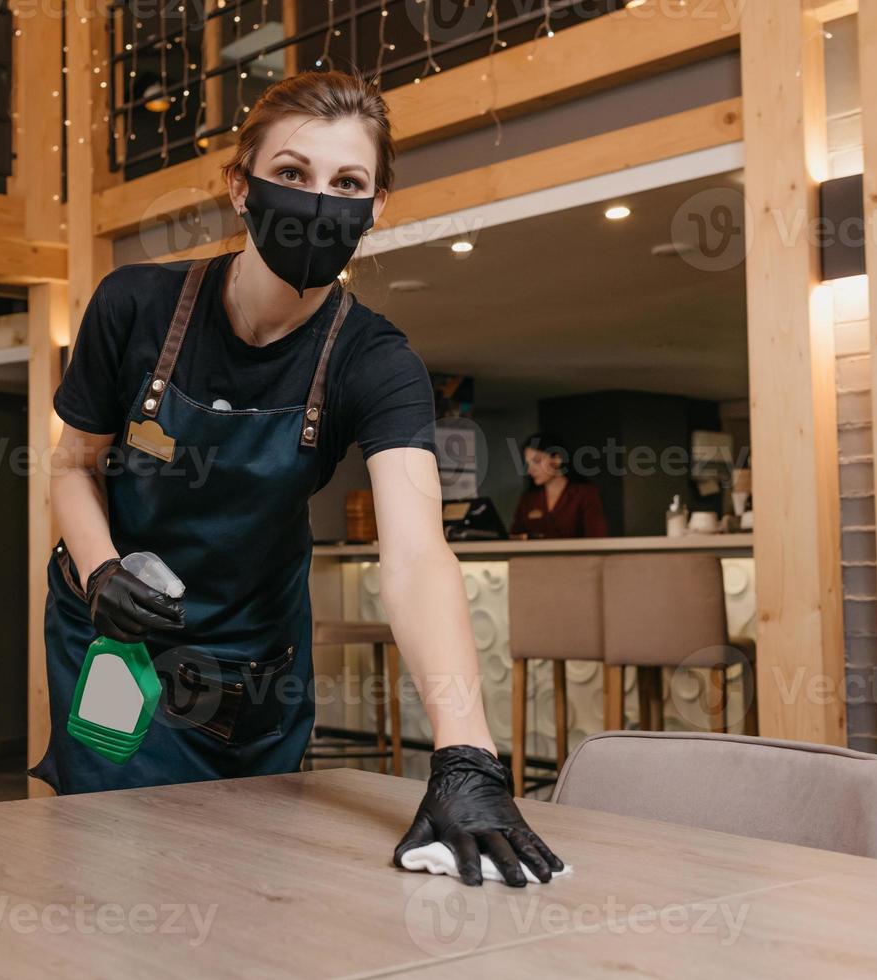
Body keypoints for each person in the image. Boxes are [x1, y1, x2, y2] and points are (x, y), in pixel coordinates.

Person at [34, 71, 561, 887]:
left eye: (347, 183)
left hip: (257, 664)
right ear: (240, 188)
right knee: (116, 869)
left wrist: (466, 756)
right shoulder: (134, 306)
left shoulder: (375, 363)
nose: (320, 202)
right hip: (117, 648)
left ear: (376, 205)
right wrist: (100, 566)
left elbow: (419, 557)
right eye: (292, 174)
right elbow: (72, 464)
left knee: (257, 881)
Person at [509, 433, 608, 539]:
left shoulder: (585, 493)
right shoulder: (528, 498)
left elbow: (596, 538)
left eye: (537, 461)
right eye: (528, 464)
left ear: (557, 459)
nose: (530, 470)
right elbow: (513, 537)